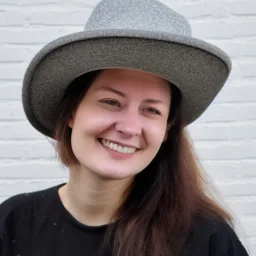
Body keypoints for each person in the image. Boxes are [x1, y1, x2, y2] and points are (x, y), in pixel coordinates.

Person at [0, 0, 250, 255]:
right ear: (72, 111)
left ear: (166, 130)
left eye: (151, 110)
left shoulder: (208, 240)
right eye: (111, 102)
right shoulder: (11, 223)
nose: (130, 128)